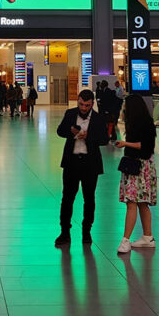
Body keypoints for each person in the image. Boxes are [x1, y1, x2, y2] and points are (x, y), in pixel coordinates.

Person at [55, 89, 108, 247]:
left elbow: (104, 139)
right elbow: (59, 131)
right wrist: (71, 132)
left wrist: (88, 136)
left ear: (92, 104)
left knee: (89, 198)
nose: (83, 108)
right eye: (81, 104)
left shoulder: (98, 119)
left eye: (87, 105)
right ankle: (65, 232)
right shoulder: (70, 114)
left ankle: (87, 231)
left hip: (90, 163)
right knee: (67, 198)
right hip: (71, 162)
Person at [115, 95, 157, 253]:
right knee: (141, 203)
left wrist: (125, 143)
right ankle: (148, 236)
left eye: (126, 106)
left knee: (132, 202)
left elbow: (146, 146)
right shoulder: (140, 123)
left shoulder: (145, 124)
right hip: (138, 166)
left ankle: (125, 240)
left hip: (139, 167)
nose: (124, 108)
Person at [97, 80, 122, 144]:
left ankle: (110, 136)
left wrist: (109, 110)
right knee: (109, 123)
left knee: (109, 123)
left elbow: (110, 101)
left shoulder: (108, 91)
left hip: (108, 111)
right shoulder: (104, 91)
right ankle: (112, 136)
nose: (100, 86)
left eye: (101, 84)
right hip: (106, 110)